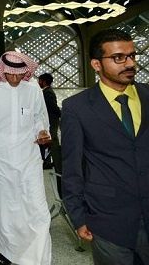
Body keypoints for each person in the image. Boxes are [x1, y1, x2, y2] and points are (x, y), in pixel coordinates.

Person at [62, 29, 149, 264]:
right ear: (96, 64)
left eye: (132, 55)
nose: (130, 63)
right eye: (118, 57)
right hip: (108, 220)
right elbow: (72, 168)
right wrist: (78, 217)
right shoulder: (77, 108)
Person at [0, 51, 52, 265]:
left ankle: (38, 257)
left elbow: (39, 117)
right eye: (10, 73)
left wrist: (42, 131)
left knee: (37, 208)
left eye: (19, 74)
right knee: (7, 211)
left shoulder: (33, 90)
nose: (15, 78)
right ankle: (8, 253)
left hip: (28, 158)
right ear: (3, 71)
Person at [37, 73, 61, 171]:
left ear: (44, 82)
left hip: (51, 122)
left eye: (39, 81)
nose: (38, 82)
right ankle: (55, 162)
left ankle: (49, 162)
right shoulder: (47, 92)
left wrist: (61, 115)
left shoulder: (48, 93)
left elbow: (53, 107)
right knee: (52, 142)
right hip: (52, 121)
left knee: (50, 142)